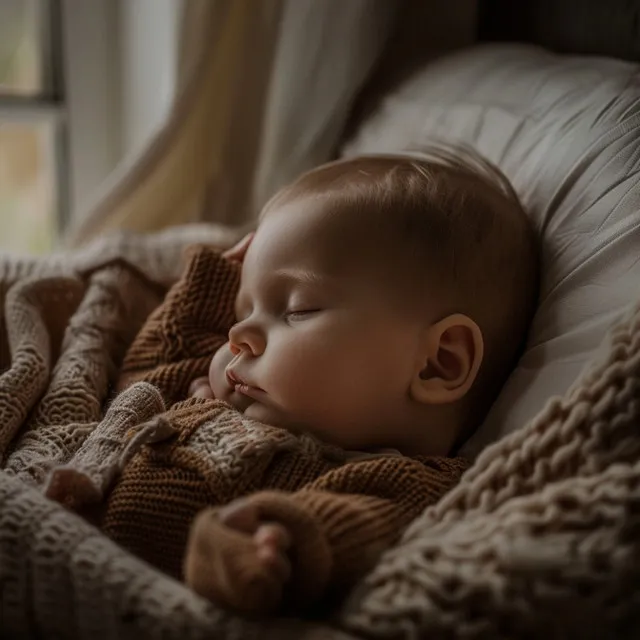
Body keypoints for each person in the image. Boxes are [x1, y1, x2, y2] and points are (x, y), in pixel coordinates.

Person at [179, 146, 539, 614]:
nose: (238, 335)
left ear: (437, 364)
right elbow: (146, 369)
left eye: (297, 310)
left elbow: (344, 533)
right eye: (242, 310)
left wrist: (271, 545)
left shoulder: (402, 486)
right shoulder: (220, 396)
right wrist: (212, 281)